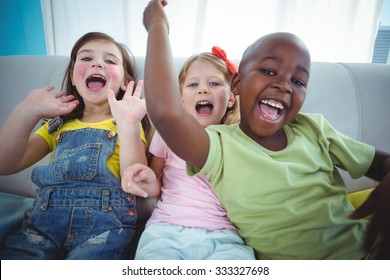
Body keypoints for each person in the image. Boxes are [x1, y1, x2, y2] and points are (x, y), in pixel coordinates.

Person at [142, 0, 390, 259]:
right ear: (237, 84)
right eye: (269, 71)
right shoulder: (219, 145)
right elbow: (166, 113)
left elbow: (382, 164)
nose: (284, 85)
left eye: (298, 80)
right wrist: (158, 24)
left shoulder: (314, 129)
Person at [0, 32, 149, 260]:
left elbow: (136, 180)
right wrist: (26, 110)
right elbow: (5, 163)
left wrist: (129, 123)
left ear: (125, 83)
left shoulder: (127, 123)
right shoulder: (58, 124)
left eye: (109, 60)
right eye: (86, 58)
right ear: (73, 76)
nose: (97, 63)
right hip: (42, 223)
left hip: (104, 227)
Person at [122, 48, 255, 260]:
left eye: (214, 83)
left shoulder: (238, 139)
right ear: (181, 100)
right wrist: (146, 179)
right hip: (166, 230)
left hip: (224, 236)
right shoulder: (169, 134)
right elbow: (156, 186)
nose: (203, 90)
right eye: (193, 84)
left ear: (231, 98)